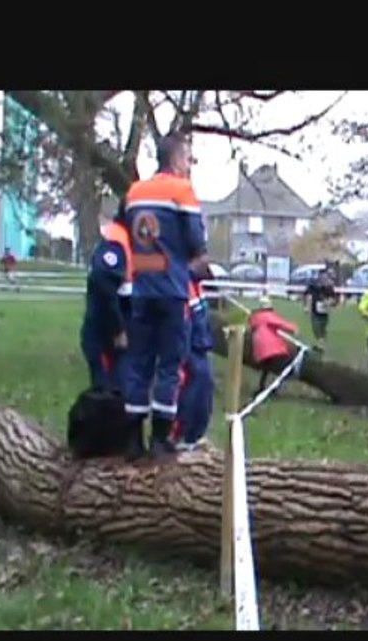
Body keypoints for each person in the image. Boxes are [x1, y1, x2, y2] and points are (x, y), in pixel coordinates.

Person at [122, 131, 208, 460]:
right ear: (174, 158)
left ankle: (132, 440)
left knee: (138, 363)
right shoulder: (181, 191)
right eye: (188, 158)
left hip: (141, 289)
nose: (190, 165)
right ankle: (160, 439)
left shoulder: (135, 192)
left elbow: (134, 239)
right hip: (174, 292)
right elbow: (196, 247)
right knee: (170, 366)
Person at [80, 205, 134, 393]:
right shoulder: (116, 242)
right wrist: (118, 329)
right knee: (110, 397)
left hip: (116, 333)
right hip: (106, 336)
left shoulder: (130, 242)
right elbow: (103, 285)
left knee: (119, 396)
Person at [172, 269, 215, 451]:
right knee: (190, 387)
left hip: (200, 348)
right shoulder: (180, 284)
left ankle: (196, 436)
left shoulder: (197, 285)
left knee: (205, 387)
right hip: (187, 350)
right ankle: (179, 438)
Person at [249, 297, 299, 397]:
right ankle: (275, 388)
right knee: (287, 368)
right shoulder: (268, 316)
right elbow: (281, 323)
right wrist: (294, 328)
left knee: (266, 368)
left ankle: (262, 387)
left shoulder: (255, 318)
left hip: (260, 350)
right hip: (273, 348)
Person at [303, 268, 338, 351]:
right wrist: (307, 306)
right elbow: (308, 296)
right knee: (316, 328)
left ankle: (321, 345)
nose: (324, 278)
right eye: (323, 276)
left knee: (322, 328)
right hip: (315, 310)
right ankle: (321, 345)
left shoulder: (329, 287)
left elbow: (333, 299)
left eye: (326, 277)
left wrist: (329, 302)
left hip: (324, 311)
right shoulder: (312, 286)